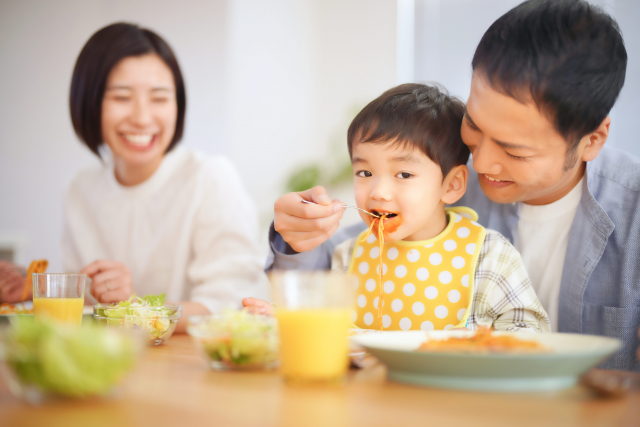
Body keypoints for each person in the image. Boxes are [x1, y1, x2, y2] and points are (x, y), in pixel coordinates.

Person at [264, 0, 639, 371]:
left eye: (514, 150)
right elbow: (328, 259)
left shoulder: (631, 214)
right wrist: (295, 235)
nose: (482, 162)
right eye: (474, 125)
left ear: (592, 139)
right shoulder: (444, 178)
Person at [0, 23, 268, 331]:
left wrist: (134, 307)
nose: (142, 117)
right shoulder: (81, 189)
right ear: (88, 102)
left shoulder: (209, 179)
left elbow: (225, 307)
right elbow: (91, 304)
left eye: (159, 98)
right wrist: (37, 289)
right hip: (111, 363)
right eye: (122, 97)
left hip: (188, 367)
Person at [245, 83, 549, 333]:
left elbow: (529, 335)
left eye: (404, 174)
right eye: (365, 173)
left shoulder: (490, 257)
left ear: (453, 184)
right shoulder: (348, 256)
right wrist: (283, 320)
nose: (378, 192)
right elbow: (320, 331)